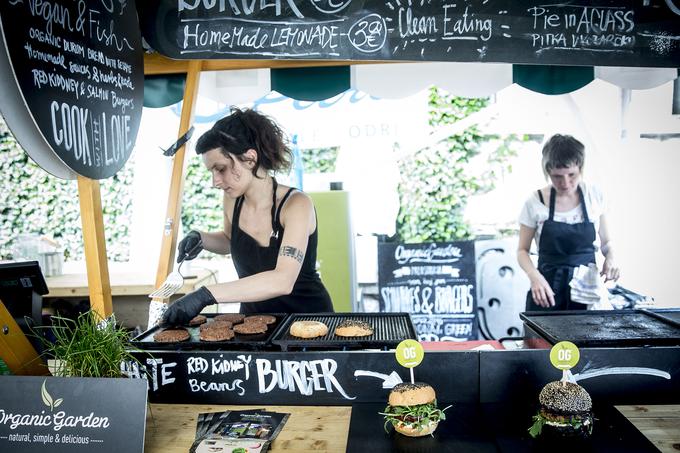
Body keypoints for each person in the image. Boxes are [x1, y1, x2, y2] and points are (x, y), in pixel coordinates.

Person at [162, 108, 334, 325]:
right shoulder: (232, 199)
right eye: (211, 172)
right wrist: (201, 238)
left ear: (250, 158)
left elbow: (283, 280)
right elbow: (230, 239)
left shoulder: (296, 205)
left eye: (221, 168)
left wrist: (205, 294)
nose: (215, 181)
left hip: (308, 322)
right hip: (255, 324)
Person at [517, 134, 620, 311]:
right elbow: (522, 250)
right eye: (557, 176)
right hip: (547, 291)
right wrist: (534, 276)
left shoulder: (594, 195)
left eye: (571, 175)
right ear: (547, 170)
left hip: (587, 290)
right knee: (543, 339)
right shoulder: (534, 202)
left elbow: (607, 243)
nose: (565, 183)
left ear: (581, 167)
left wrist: (611, 258)